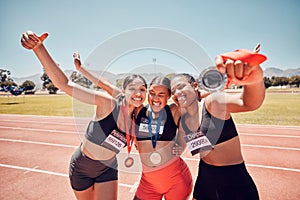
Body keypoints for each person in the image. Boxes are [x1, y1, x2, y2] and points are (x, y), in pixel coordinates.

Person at [21, 31, 147, 200]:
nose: (138, 94)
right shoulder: (108, 104)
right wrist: (39, 48)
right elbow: (64, 84)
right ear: (124, 91)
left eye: (142, 90)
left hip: (108, 168)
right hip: (82, 167)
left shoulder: (140, 117)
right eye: (133, 89)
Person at [73, 53, 193, 200]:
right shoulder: (138, 110)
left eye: (162, 94)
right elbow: (106, 85)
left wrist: (181, 144)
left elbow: (190, 104)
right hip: (149, 183)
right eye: (152, 93)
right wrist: (82, 69)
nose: (156, 98)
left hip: (177, 180)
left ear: (169, 96)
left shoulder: (174, 111)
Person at [170, 46, 264, 200]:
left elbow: (248, 102)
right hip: (205, 181)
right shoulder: (185, 118)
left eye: (180, 87)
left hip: (234, 182)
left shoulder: (213, 103)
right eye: (173, 91)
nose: (177, 93)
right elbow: (179, 147)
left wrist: (254, 81)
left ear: (194, 86)